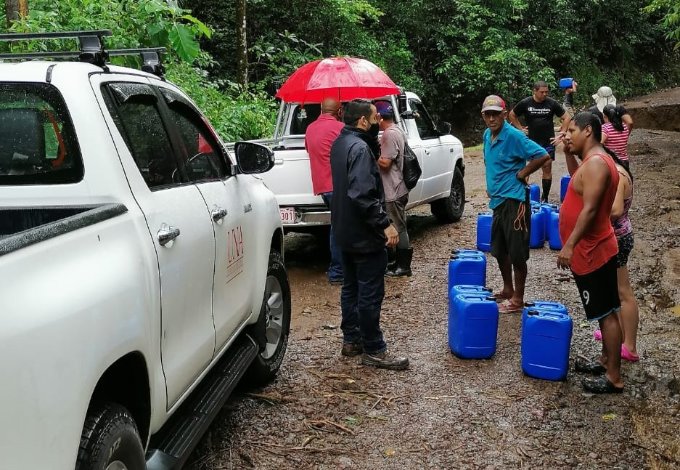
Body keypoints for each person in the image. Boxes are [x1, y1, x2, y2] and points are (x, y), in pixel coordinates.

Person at [329, 98, 408, 370]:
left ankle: (351, 340)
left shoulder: (339, 143)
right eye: (375, 118)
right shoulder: (360, 148)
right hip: (363, 234)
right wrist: (384, 223)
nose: (378, 123)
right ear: (363, 121)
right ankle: (374, 347)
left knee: (350, 287)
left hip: (344, 231)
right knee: (369, 291)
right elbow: (362, 194)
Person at [558, 111, 623, 394]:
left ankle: (614, 378)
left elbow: (592, 209)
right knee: (605, 310)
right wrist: (568, 153)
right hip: (593, 248)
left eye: (572, 130)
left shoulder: (597, 163)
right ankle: (606, 360)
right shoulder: (592, 161)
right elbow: (578, 181)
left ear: (588, 131)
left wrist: (569, 244)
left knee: (606, 313)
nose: (568, 134)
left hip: (593, 250)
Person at [480, 95, 550, 314]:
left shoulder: (514, 136)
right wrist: (490, 184)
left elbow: (542, 155)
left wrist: (523, 173)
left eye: (495, 114)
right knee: (499, 249)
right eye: (487, 114)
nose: (491, 118)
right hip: (498, 200)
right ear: (483, 116)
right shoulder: (486, 136)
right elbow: (489, 162)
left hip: (515, 201)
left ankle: (518, 299)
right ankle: (508, 289)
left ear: (504, 113)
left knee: (517, 252)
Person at [593, 155, 640, 362]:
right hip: (615, 237)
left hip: (619, 238)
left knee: (623, 292)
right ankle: (617, 335)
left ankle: (629, 346)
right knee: (613, 290)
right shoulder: (616, 171)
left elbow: (616, 209)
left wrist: (592, 217)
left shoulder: (619, 176)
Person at [508, 80, 571, 203]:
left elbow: (567, 117)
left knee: (547, 168)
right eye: (542, 92)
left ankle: (545, 198)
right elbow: (512, 115)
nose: (545, 94)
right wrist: (520, 129)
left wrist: (562, 133)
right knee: (527, 169)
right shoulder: (526, 102)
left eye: (546, 92)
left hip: (548, 141)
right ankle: (523, 196)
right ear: (535, 91)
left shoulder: (551, 103)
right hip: (530, 141)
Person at [305, 97, 345, 284]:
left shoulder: (310, 128)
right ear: (339, 111)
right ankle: (337, 271)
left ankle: (340, 268)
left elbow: (309, 150)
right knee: (340, 228)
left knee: (338, 225)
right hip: (337, 184)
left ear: (321, 109)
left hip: (321, 185)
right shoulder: (340, 128)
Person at [374, 100, 412, 277]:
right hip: (399, 186)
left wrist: (372, 155)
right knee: (399, 224)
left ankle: (403, 266)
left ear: (379, 116)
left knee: (399, 226)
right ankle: (397, 263)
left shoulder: (388, 135)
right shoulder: (397, 129)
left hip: (392, 189)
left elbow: (385, 163)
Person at [602, 104, 634, 169]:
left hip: (611, 162)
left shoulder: (605, 128)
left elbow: (599, 144)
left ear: (605, 116)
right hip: (624, 161)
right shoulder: (624, 127)